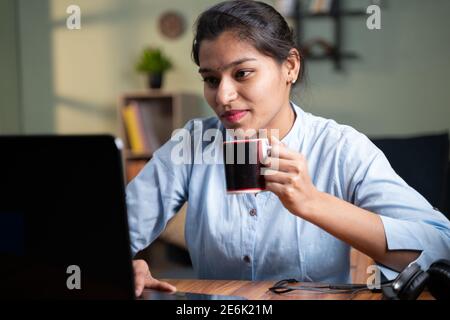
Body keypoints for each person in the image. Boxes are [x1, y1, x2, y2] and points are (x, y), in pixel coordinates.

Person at [127, 0, 450, 297]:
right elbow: (109, 236)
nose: (223, 96)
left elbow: (441, 246)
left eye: (242, 73)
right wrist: (122, 264)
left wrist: (313, 203)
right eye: (211, 79)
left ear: (290, 67)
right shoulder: (193, 143)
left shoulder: (340, 147)